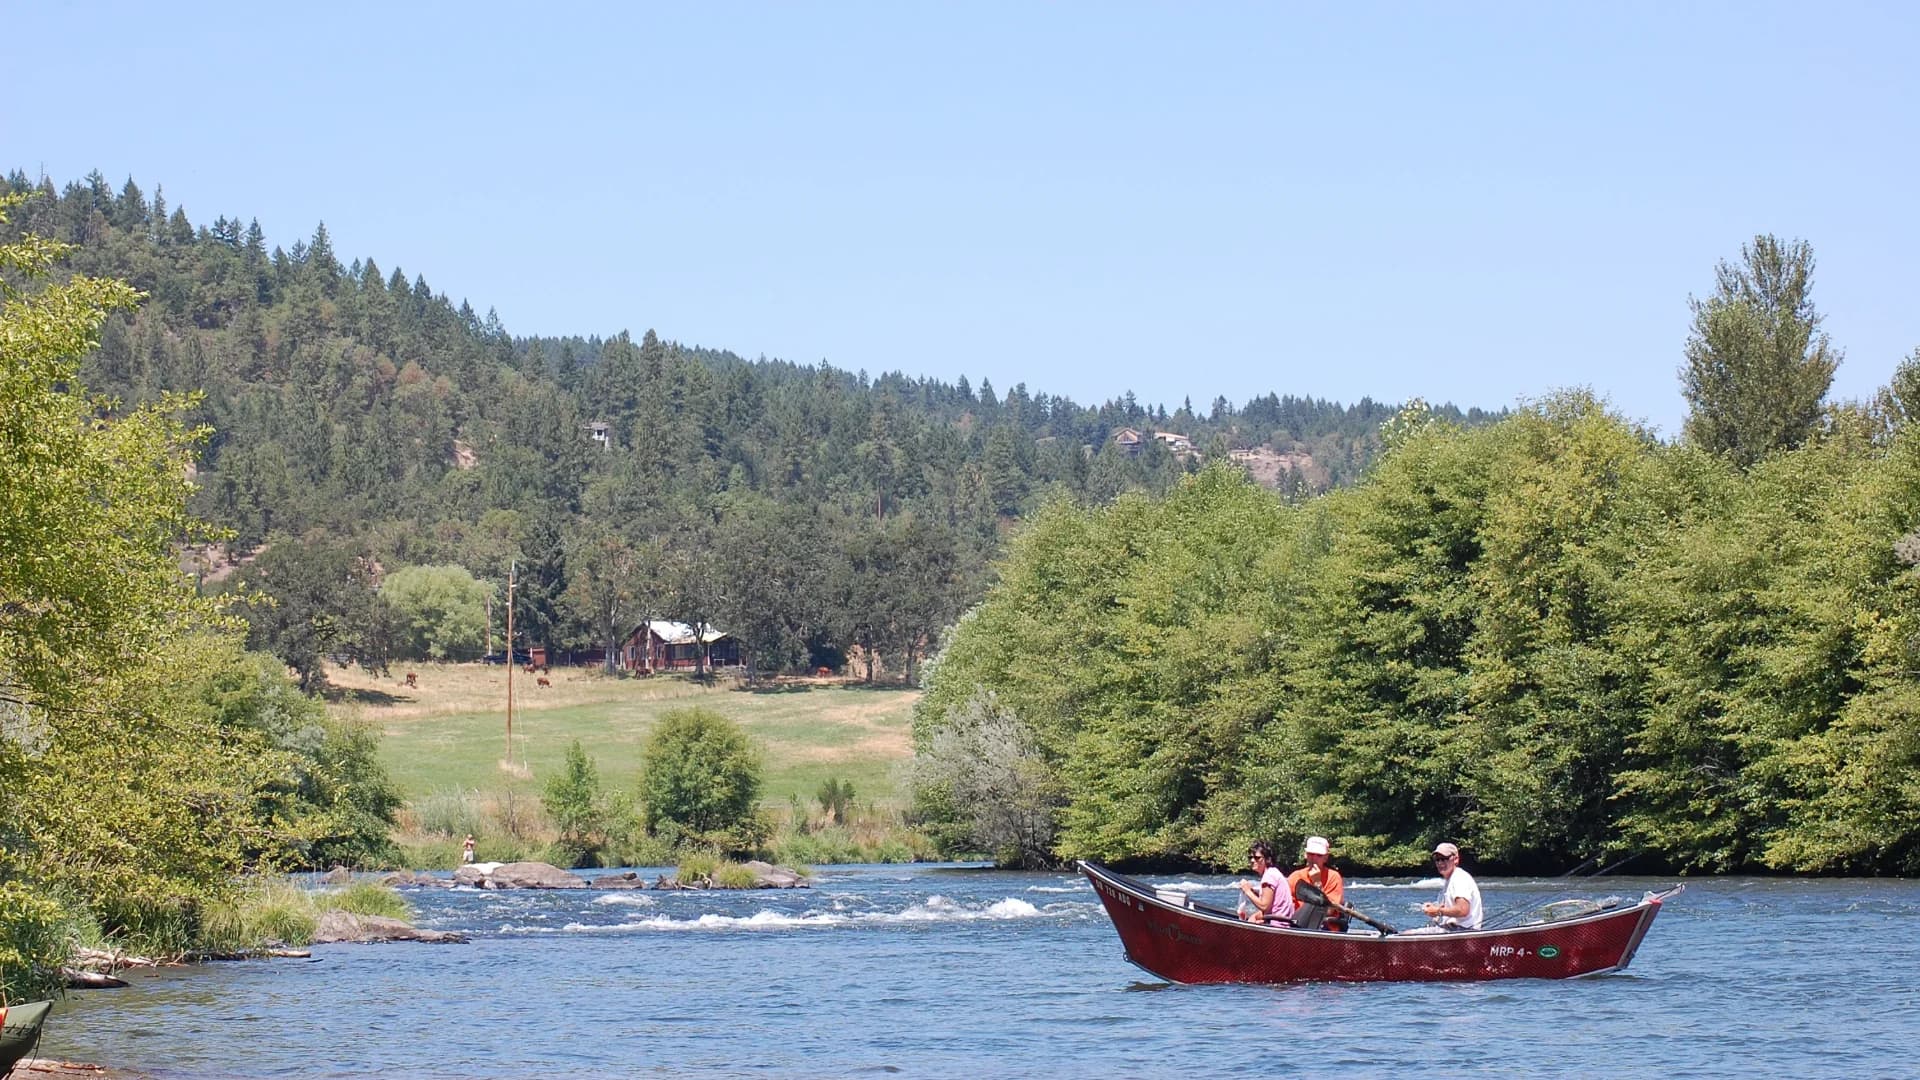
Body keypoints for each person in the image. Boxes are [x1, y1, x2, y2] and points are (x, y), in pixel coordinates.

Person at [1287, 835, 1347, 932]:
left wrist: (1317, 883)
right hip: (1298, 926)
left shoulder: (1333, 877)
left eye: (1319, 855)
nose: (1314, 858)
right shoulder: (1295, 876)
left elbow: (1328, 911)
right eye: (1311, 854)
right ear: (1305, 854)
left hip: (1325, 929)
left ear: (1326, 857)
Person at [1420, 841, 1483, 930]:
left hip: (1462, 931)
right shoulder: (1450, 880)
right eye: (1437, 860)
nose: (1440, 863)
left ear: (1456, 859)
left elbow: (1462, 909)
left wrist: (1437, 911)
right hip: (1453, 930)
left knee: (1407, 934)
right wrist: (1433, 908)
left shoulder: (1459, 878)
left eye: (1444, 858)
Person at [1237, 841, 1296, 925]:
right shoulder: (1273, 872)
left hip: (1277, 926)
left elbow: (1265, 906)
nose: (1253, 860)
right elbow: (1269, 902)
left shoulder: (1269, 877)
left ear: (1268, 859)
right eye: (1250, 857)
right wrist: (1252, 892)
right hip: (1279, 922)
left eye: (1257, 858)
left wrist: (1247, 891)